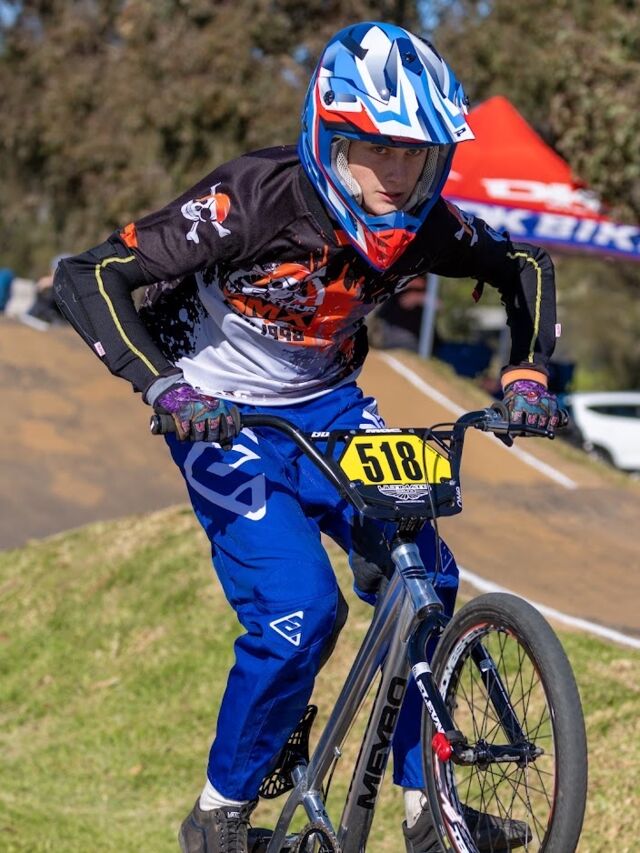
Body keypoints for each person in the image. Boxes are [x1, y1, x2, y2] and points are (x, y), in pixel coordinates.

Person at [54, 21, 560, 853]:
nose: (398, 173)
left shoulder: (426, 224)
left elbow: (525, 266)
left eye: (418, 154)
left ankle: (428, 810)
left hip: (332, 406)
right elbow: (91, 273)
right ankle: (220, 813)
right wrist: (164, 385)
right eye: (378, 148)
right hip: (221, 413)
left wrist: (528, 374)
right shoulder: (252, 199)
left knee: (428, 578)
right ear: (331, 137)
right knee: (300, 612)